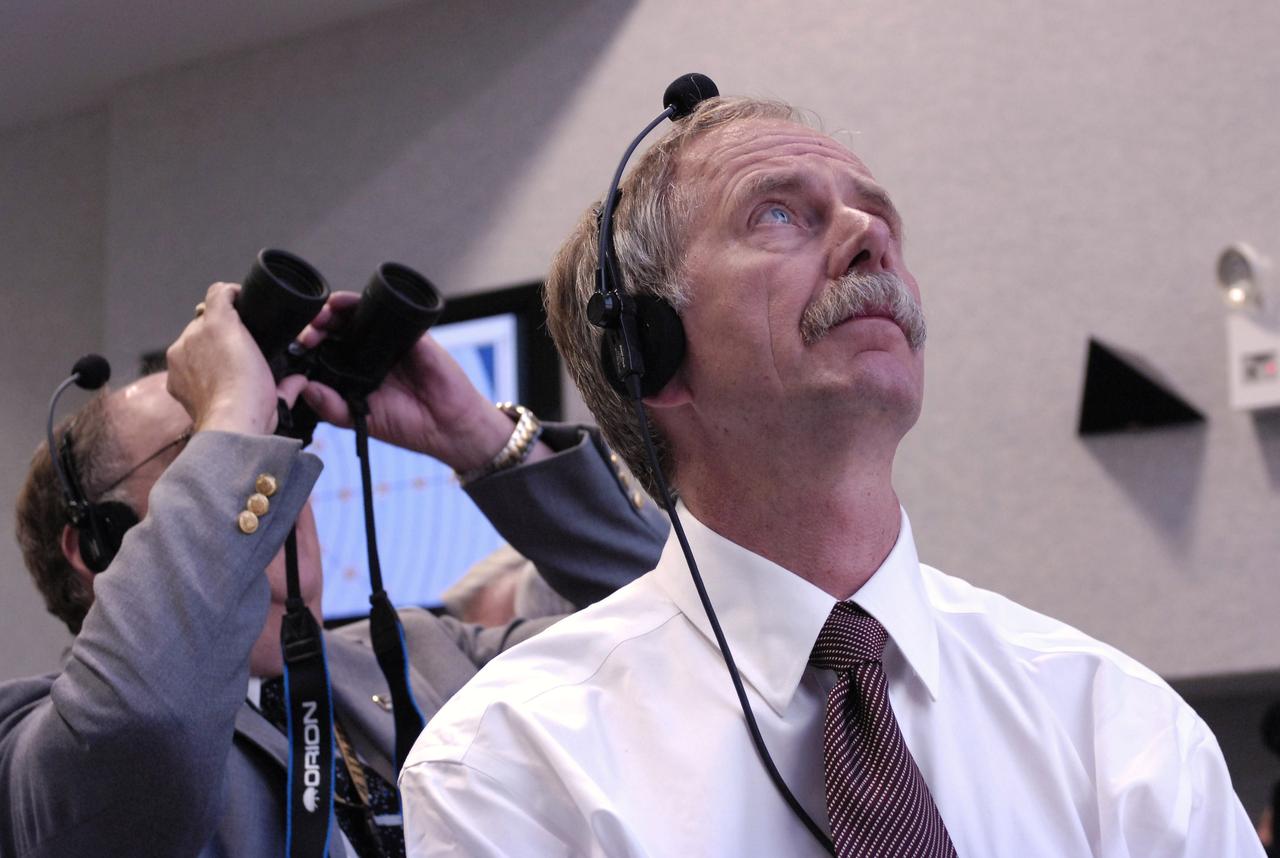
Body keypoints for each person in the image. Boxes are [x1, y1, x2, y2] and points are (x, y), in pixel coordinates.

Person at [398, 96, 1265, 856]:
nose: (870, 240)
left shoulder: (1115, 725)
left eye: (879, 217)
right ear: (646, 350)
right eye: (779, 215)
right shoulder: (515, 758)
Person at [0, 281, 667, 857]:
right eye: (208, 453)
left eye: (280, 440)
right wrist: (231, 415)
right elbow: (145, 723)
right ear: (96, 545)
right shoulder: (37, 743)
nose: (273, 476)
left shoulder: (427, 658)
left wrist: (482, 442)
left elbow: (685, 632)